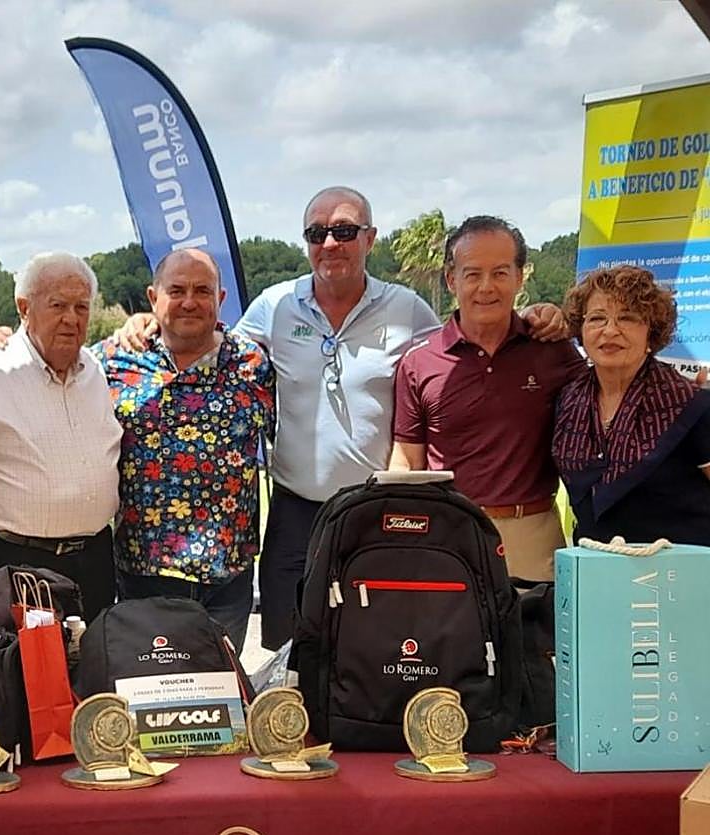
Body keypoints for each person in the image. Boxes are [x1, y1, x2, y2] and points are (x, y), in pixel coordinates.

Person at [116, 187, 566, 649]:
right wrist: (145, 323)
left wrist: (527, 317)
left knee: (374, 649)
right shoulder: (274, 306)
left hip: (375, 513)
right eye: (317, 232)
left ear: (369, 238)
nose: (331, 243)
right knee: (286, 654)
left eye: (345, 231)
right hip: (294, 515)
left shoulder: (407, 309)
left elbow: (462, 345)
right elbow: (206, 338)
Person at [91, 248, 274, 651]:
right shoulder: (112, 360)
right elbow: (49, 369)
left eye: (202, 290)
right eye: (176, 290)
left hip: (227, 577)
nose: (190, 301)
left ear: (220, 300)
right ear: (153, 298)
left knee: (221, 696)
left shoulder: (252, 364)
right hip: (143, 573)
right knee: (149, 695)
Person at [390, 216, 586, 580]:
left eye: (499, 272)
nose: (486, 287)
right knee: (450, 637)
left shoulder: (552, 349)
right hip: (449, 534)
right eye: (472, 274)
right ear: (451, 279)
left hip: (534, 532)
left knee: (537, 638)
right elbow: (407, 458)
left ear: (519, 276)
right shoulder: (418, 363)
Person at [0, 252, 122, 619]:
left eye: (81, 307)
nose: (71, 319)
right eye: (57, 305)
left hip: (93, 565)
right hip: (14, 567)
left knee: (91, 673)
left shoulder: (96, 369)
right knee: (18, 674)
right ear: (24, 307)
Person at [553, 265, 710, 544]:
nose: (610, 331)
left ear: (651, 332)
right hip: (595, 568)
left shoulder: (691, 405)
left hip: (678, 576)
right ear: (581, 329)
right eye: (597, 318)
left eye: (627, 318)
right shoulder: (566, 401)